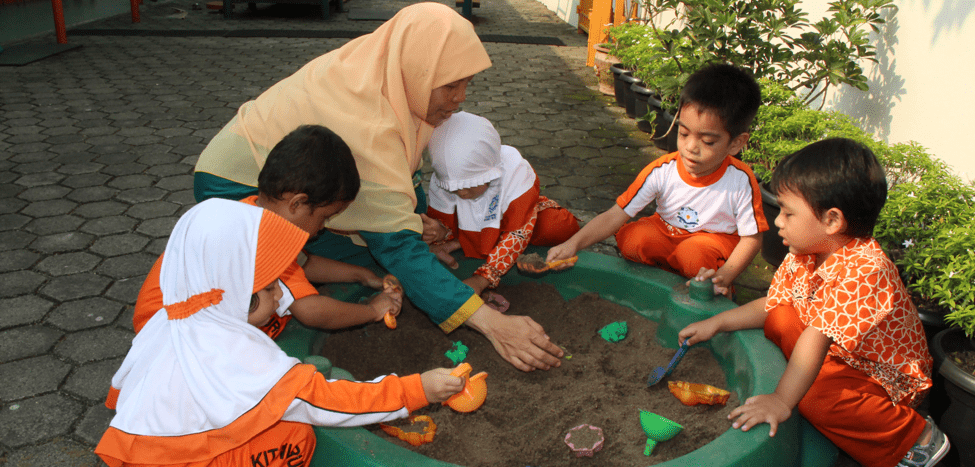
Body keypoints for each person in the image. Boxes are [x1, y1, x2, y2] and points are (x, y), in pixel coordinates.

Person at [192, 2, 563, 371]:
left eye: (467, 83)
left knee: (388, 256)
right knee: (381, 257)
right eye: (450, 85)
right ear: (417, 72)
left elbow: (396, 175)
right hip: (236, 185)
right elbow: (394, 242)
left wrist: (414, 224)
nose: (461, 98)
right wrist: (492, 324)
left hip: (300, 185)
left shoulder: (389, 70)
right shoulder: (367, 120)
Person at [96, 199, 464, 467]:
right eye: (269, 285)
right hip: (184, 459)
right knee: (295, 433)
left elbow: (121, 394)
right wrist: (417, 389)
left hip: (141, 450)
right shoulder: (234, 348)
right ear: (233, 291)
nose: (280, 292)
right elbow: (320, 400)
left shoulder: (175, 319)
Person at [677, 138, 949, 467]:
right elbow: (772, 304)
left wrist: (781, 400)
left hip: (883, 379)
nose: (778, 220)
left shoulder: (866, 269)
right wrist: (718, 322)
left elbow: (815, 339)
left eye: (789, 213)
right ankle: (803, 383)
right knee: (780, 316)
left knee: (815, 400)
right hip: (840, 353)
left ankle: (915, 439)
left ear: (832, 220)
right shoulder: (806, 252)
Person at [133, 125, 402, 338]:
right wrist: (372, 309)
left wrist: (363, 276)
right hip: (176, 341)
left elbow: (302, 265)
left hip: (178, 329)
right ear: (297, 203)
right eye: (324, 217)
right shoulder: (262, 236)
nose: (322, 228)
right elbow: (312, 311)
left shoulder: (251, 212)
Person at [546, 63, 767, 295]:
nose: (691, 147)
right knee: (634, 239)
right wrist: (573, 244)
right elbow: (616, 214)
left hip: (710, 246)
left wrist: (725, 276)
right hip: (666, 232)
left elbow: (752, 239)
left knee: (692, 256)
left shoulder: (740, 180)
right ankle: (663, 281)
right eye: (683, 133)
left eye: (708, 141)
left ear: (736, 143)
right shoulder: (663, 170)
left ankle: (715, 289)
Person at [425, 111, 580, 298]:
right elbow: (446, 221)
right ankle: (481, 240)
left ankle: (491, 238)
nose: (462, 192)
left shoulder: (515, 172)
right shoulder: (445, 179)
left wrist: (482, 279)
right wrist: (440, 231)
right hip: (475, 225)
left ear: (489, 172)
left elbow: (517, 234)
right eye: (454, 188)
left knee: (555, 227)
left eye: (469, 184)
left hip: (516, 219)